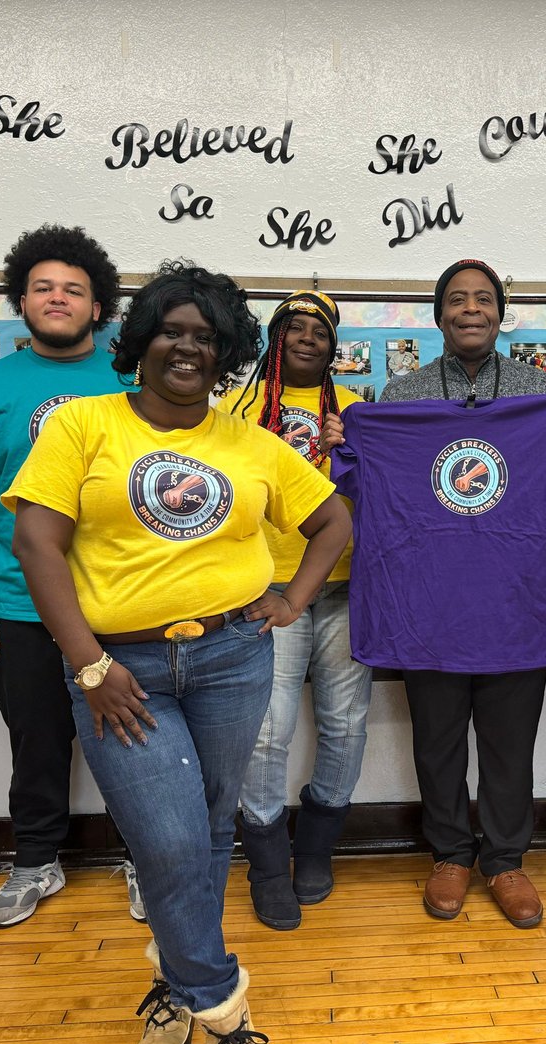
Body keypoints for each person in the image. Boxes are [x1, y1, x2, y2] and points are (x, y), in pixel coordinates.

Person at [6, 260, 350, 1044]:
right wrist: (89, 665)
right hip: (120, 670)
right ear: (141, 338)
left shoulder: (252, 443)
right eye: (171, 329)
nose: (187, 347)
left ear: (226, 350)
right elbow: (35, 543)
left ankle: (169, 981)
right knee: (167, 840)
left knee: (204, 832)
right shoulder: (83, 425)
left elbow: (334, 520)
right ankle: (225, 1010)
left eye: (205, 336)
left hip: (234, 658)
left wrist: (293, 600)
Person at [322, 258, 546, 930]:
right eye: (456, 299)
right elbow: (376, 491)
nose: (470, 309)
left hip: (514, 598)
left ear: (500, 314)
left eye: (483, 299)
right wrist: (350, 444)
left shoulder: (539, 390)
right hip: (429, 603)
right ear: (439, 314)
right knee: (438, 740)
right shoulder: (401, 396)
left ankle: (504, 860)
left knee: (510, 742)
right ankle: (450, 852)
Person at [0, 224, 145, 928]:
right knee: (37, 740)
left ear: (99, 306)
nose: (58, 298)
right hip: (20, 605)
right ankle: (36, 861)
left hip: (117, 602)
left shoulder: (130, 381)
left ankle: (149, 860)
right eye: (44, 287)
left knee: (137, 737)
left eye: (74, 289)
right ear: (20, 301)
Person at [220, 290, 371, 931]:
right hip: (267, 592)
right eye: (294, 326)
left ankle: (314, 849)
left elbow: (388, 497)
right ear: (274, 337)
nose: (307, 337)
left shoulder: (360, 411)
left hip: (345, 587)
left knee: (345, 724)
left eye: (319, 330)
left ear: (334, 346)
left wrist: (356, 454)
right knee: (266, 733)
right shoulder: (235, 407)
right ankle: (264, 864)